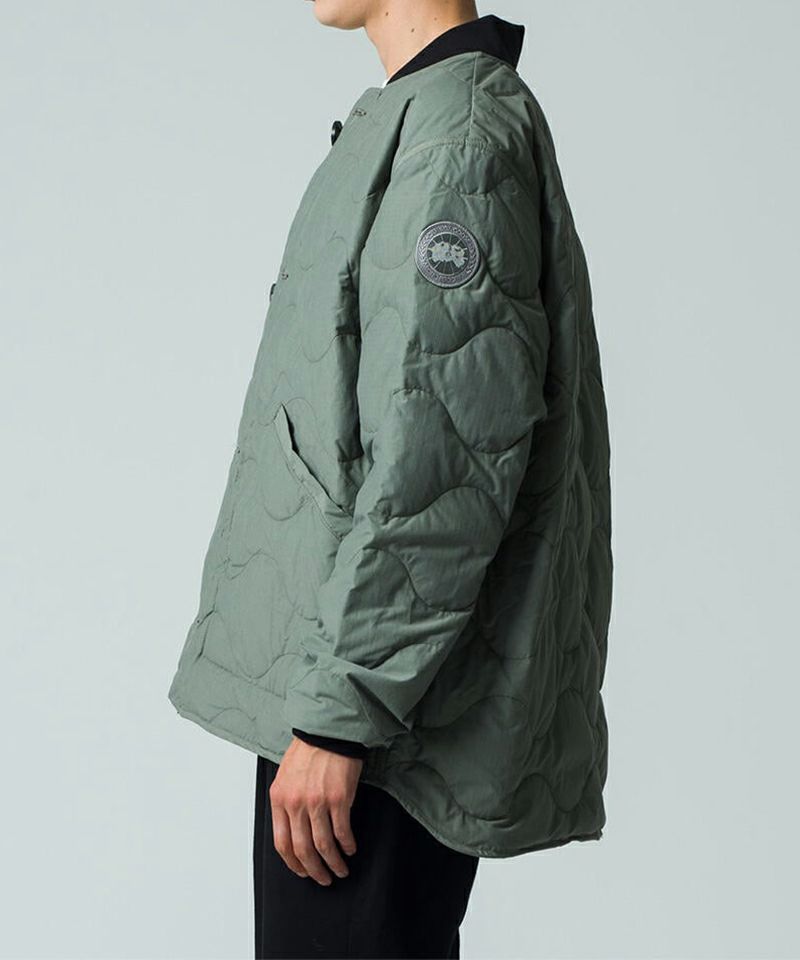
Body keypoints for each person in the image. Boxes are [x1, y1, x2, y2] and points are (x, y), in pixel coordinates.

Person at [167, 1, 613, 956]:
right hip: (354, 695)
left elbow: (443, 462)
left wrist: (341, 718)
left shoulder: (459, 139)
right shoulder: (425, 113)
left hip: (379, 728)